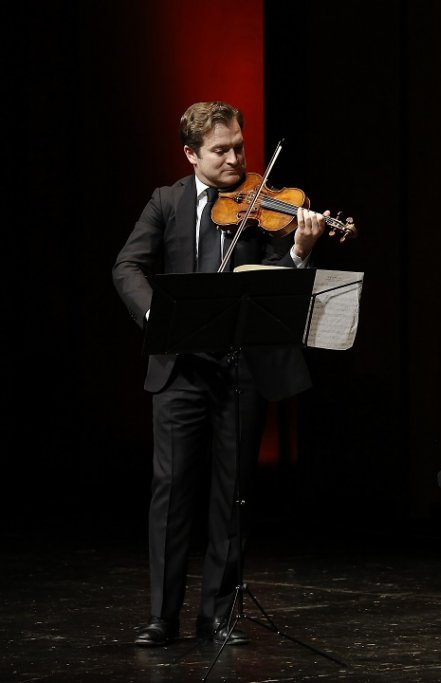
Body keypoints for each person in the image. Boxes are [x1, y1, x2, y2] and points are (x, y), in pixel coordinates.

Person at [112, 101, 335, 647]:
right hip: (181, 366)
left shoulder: (264, 207)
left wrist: (302, 250)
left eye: (239, 146)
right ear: (191, 154)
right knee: (171, 491)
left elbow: (281, 286)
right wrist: (156, 316)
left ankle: (218, 615)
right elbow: (127, 266)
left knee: (232, 492)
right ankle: (162, 617)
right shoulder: (166, 202)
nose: (236, 158)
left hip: (242, 366)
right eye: (221, 150)